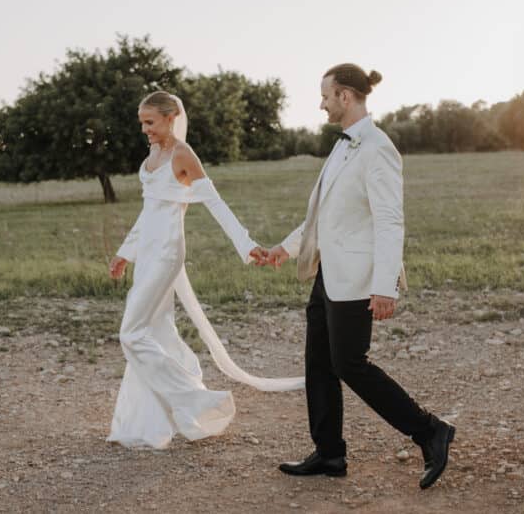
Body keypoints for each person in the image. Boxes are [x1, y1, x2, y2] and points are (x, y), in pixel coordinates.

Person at [267, 64, 454, 489]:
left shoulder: (377, 148)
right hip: (327, 273)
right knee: (319, 362)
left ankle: (429, 431)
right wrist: (285, 247)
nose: (321, 103)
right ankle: (330, 453)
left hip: (357, 277)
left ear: (345, 96)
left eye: (325, 95)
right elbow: (326, 216)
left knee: (350, 363)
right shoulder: (343, 146)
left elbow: (389, 221)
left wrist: (384, 286)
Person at [107, 91, 304, 450]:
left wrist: (247, 245)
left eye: (150, 122)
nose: (145, 130)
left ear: (172, 117)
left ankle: (199, 401)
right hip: (148, 250)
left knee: (131, 333)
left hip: (167, 251)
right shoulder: (153, 154)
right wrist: (125, 252)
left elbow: (215, 203)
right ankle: (150, 421)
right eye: (142, 123)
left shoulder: (183, 155)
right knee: (156, 330)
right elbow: (149, 210)